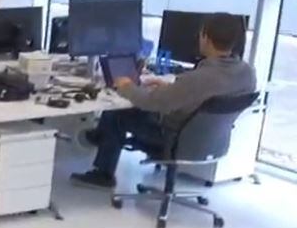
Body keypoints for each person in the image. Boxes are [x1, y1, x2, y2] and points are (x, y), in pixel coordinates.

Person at [71, 14, 257, 189]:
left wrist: (126, 86)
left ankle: (103, 172)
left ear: (206, 38)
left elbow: (151, 102)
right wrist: (171, 88)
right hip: (211, 141)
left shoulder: (198, 78)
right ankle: (99, 136)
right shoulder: (247, 74)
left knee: (117, 112)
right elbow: (206, 97)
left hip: (172, 138)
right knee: (129, 109)